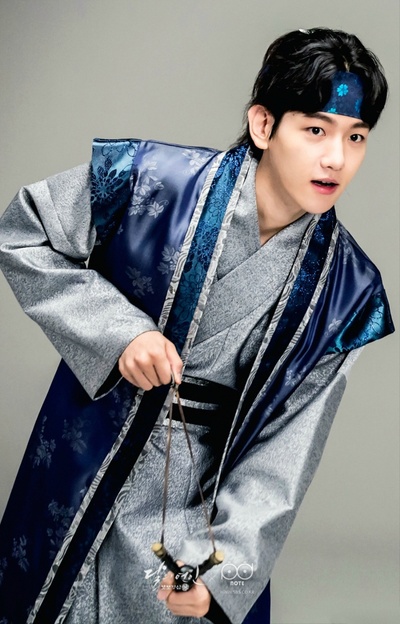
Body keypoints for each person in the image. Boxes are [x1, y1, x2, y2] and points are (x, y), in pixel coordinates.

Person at [0, 27, 394, 624]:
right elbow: (24, 232)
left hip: (203, 500)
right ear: (263, 125)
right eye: (316, 130)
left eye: (356, 137)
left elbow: (286, 450)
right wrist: (119, 333)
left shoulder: (346, 293)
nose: (337, 159)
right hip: (91, 452)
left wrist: (225, 569)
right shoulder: (152, 182)